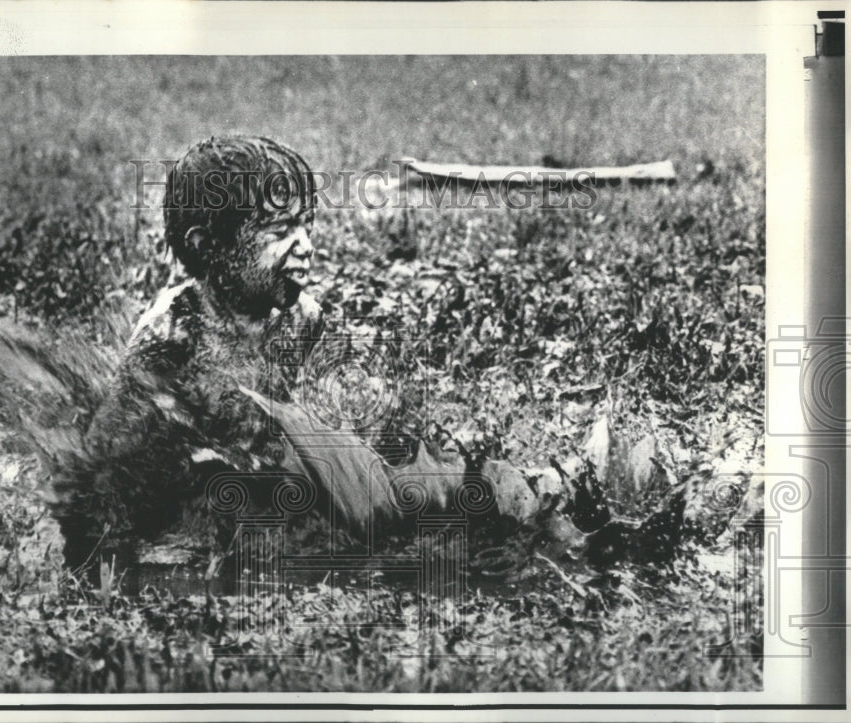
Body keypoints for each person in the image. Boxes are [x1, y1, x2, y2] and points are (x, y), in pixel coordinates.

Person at [48, 135, 590, 574]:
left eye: (307, 225)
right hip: (181, 499)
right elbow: (104, 462)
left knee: (409, 502)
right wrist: (103, 558)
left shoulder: (300, 318)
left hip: (257, 483)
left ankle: (532, 494)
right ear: (206, 247)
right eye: (281, 231)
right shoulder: (172, 336)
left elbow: (272, 421)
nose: (305, 244)